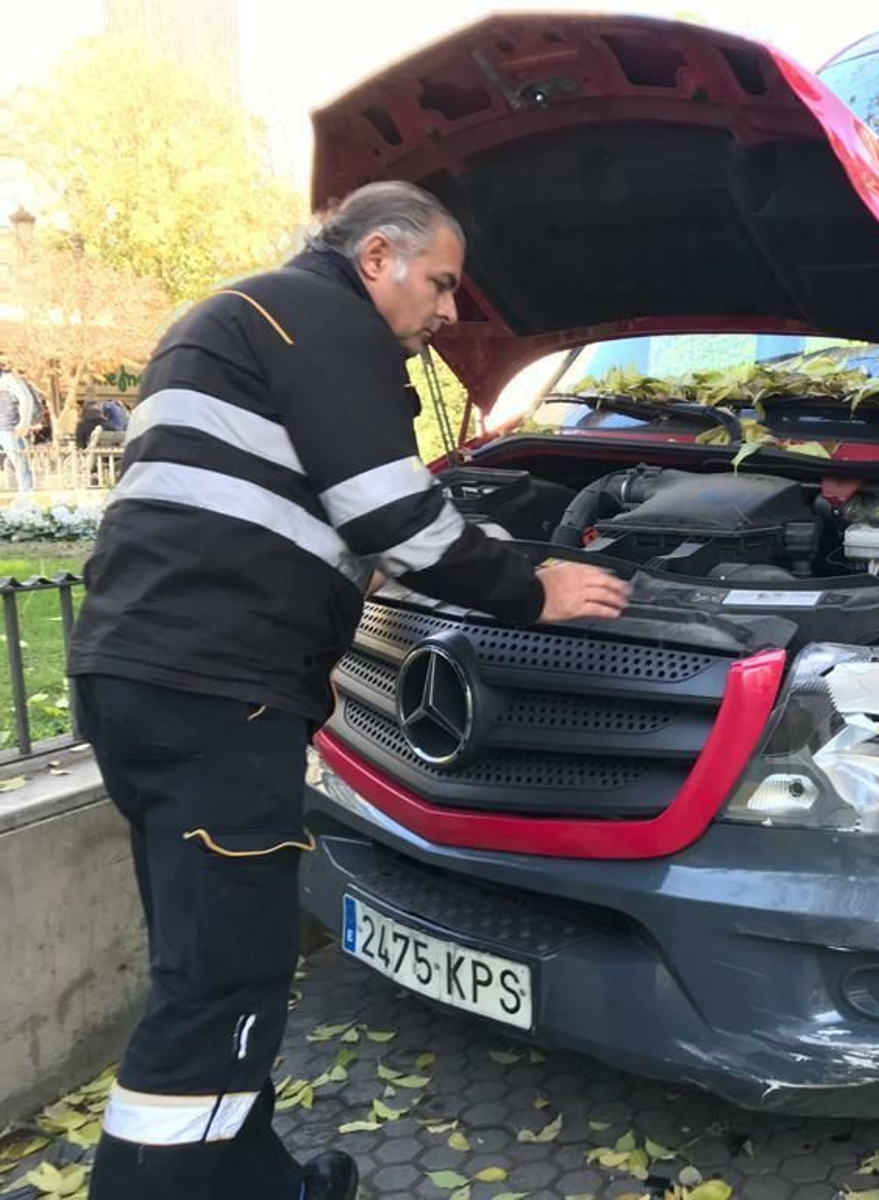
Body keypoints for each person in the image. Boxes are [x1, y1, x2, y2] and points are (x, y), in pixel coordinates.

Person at [67, 182, 630, 1200]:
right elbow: (393, 518)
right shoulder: (328, 324)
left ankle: (257, 1180)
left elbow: (298, 501)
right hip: (218, 694)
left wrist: (444, 546)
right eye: (443, 284)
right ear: (378, 256)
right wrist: (532, 584)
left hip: (137, 676)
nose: (451, 314)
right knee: (216, 987)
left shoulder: (233, 314)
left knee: (214, 962)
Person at [0, 356, 37, 492]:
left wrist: (23, 424)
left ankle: (26, 496)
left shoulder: (9, 379)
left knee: (19, 463)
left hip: (8, 427)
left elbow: (26, 399)